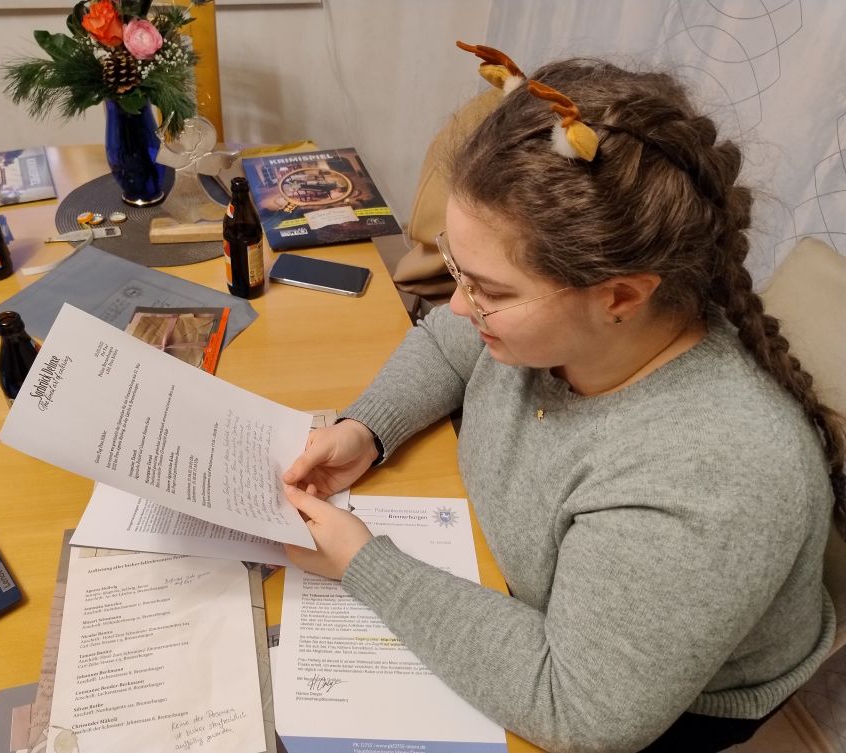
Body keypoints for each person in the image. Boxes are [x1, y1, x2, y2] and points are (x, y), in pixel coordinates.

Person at [279, 49, 845, 753]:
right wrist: (368, 428)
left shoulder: (710, 476)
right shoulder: (582, 325)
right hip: (515, 590)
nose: (458, 305)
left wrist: (365, 566)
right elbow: (450, 343)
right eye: (459, 270)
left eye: (489, 289)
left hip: (640, 700)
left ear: (620, 296)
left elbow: (580, 711)